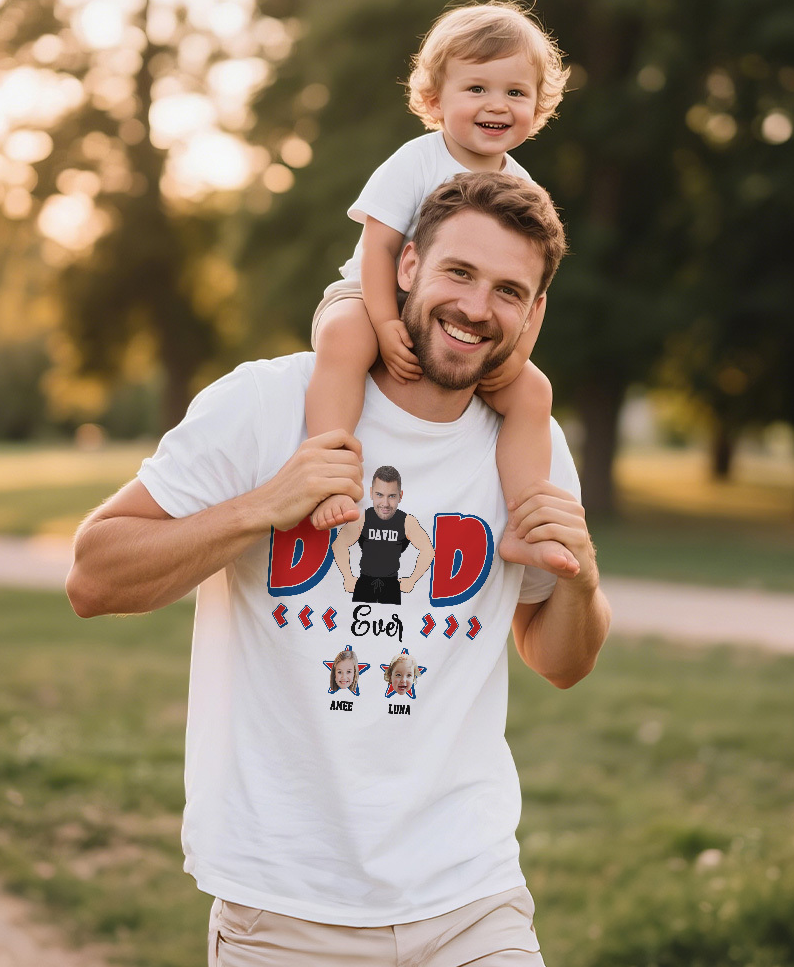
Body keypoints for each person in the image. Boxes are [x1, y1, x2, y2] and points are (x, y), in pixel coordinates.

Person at [66, 171, 611, 966]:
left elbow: (560, 661)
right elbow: (93, 575)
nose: (475, 307)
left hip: (471, 898)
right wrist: (262, 507)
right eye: (459, 272)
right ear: (407, 265)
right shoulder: (266, 403)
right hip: (284, 911)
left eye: (508, 289)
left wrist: (581, 579)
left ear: (534, 313)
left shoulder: (531, 448)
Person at [306, 0, 579, 583]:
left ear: (538, 106)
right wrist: (384, 323)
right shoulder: (414, 162)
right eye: (476, 87)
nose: (496, 105)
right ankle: (328, 473)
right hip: (371, 296)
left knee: (533, 393)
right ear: (435, 99)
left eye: (515, 92)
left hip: (459, 327)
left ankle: (528, 523)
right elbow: (381, 251)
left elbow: (531, 286)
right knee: (342, 339)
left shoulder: (522, 187)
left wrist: (516, 358)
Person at [332, 465, 435, 604]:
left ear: (400, 496)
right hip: (364, 584)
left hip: (392, 586)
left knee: (395, 622)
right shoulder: (363, 517)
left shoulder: (407, 521)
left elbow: (428, 550)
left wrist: (412, 580)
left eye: (391, 496)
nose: (385, 503)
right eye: (379, 495)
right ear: (371, 493)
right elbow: (339, 544)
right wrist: (348, 577)